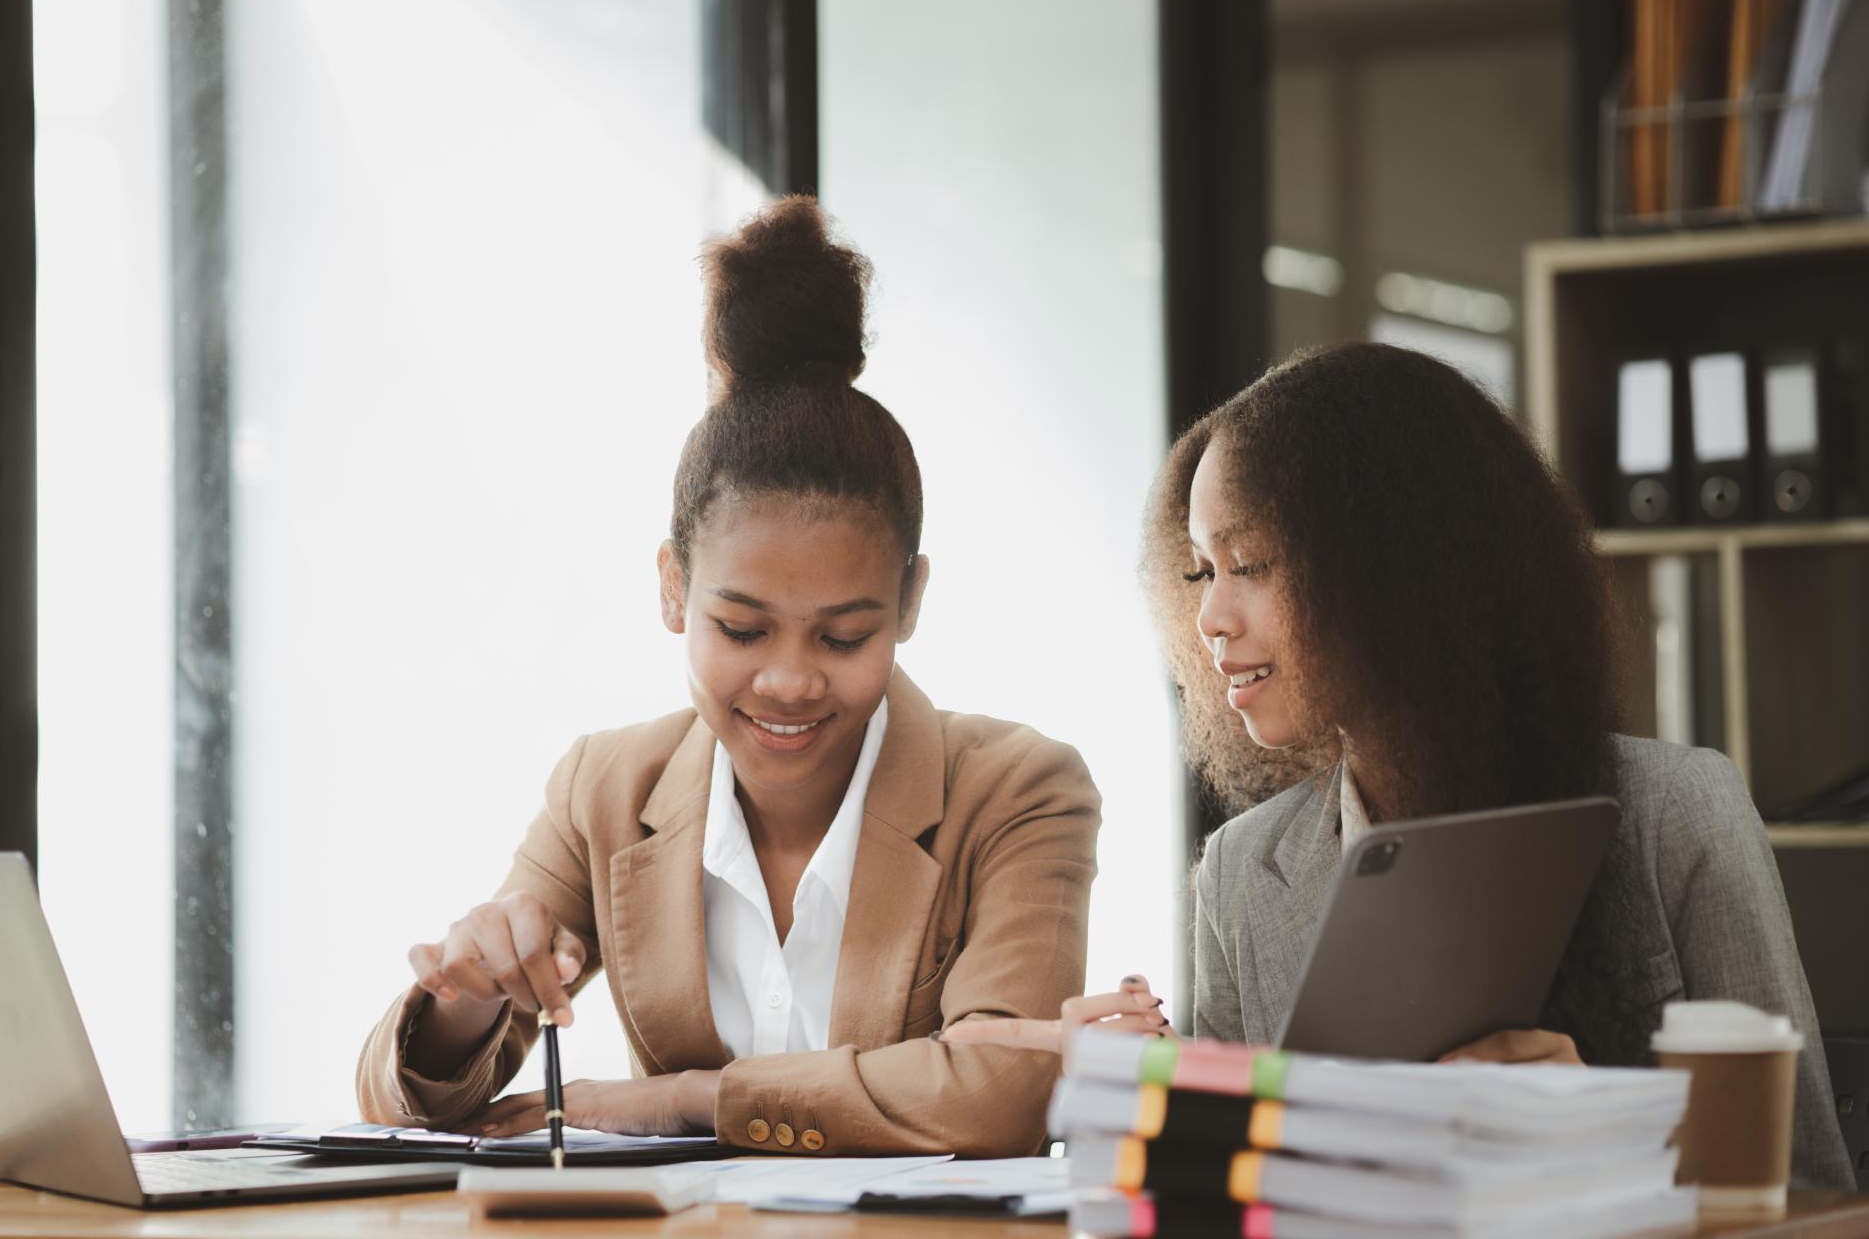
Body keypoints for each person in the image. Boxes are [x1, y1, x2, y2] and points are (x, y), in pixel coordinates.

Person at [943, 343, 1852, 1188]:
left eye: (1250, 563)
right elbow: (1229, 1204)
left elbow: (1814, 1187)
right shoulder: (1241, 879)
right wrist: (1130, 1108)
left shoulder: (1676, 814)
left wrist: (1610, 1131)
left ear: (1393, 569)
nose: (1212, 617)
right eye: (1200, 572)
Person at [356, 196, 1099, 1157]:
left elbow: (1005, 1090)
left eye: (842, 638)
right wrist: (465, 1003)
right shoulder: (606, 790)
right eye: (742, 629)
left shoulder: (1018, 790)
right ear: (673, 588)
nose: (789, 682)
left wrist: (696, 1098)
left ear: (910, 602)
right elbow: (410, 1104)